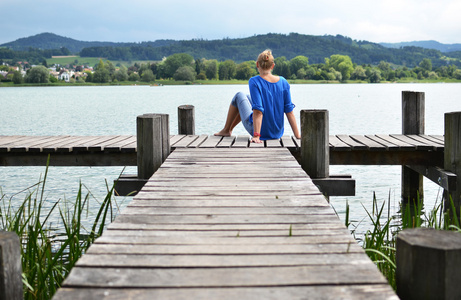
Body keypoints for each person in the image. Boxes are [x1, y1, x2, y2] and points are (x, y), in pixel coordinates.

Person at [214, 49, 301, 143]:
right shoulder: (283, 82)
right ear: (272, 66)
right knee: (247, 97)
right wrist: (297, 135)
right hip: (277, 133)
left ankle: (227, 130)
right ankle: (228, 130)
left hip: (260, 132)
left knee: (239, 96)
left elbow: (258, 111)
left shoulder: (254, 81)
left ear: (257, 64)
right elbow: (289, 111)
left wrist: (256, 136)